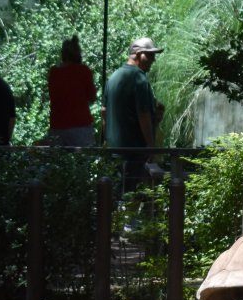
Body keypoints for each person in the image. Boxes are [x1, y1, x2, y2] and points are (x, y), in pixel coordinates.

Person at [103, 36, 163, 188]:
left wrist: (106, 142)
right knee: (133, 198)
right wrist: (151, 147)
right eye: (150, 55)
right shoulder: (139, 78)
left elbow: (104, 112)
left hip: (114, 152)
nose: (153, 60)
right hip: (134, 153)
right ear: (138, 54)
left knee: (114, 196)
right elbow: (143, 115)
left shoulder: (113, 77)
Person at [46, 35, 96, 146]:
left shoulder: (54, 73)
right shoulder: (83, 71)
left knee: (57, 162)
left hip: (57, 126)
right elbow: (92, 97)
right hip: (80, 126)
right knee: (84, 161)